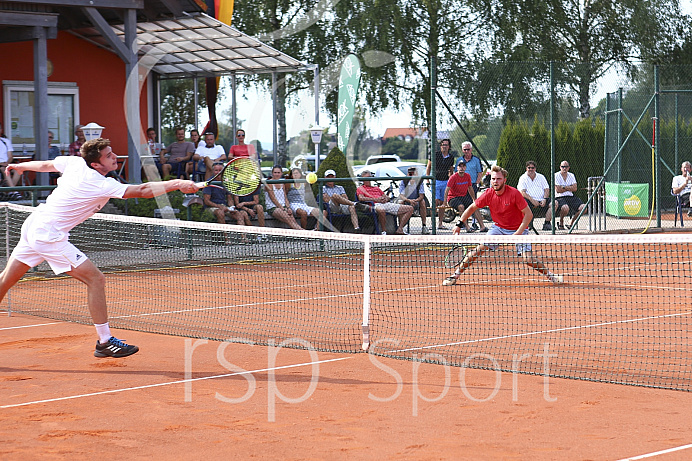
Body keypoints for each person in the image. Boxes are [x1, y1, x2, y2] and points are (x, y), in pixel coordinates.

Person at [0, 137, 200, 357]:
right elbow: (142, 190)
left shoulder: (76, 163)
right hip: (48, 234)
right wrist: (177, 184)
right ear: (95, 164)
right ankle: (105, 342)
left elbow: (47, 165)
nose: (114, 157)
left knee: (5, 280)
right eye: (108, 156)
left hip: (35, 225)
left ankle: (105, 341)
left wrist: (21, 166)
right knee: (95, 279)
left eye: (112, 152)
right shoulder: (99, 183)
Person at [442, 165, 562, 286]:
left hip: (519, 228)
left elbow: (528, 215)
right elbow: (472, 208)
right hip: (498, 228)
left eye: (498, 179)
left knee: (528, 259)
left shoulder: (514, 193)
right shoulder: (488, 194)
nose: (495, 181)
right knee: (477, 251)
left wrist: (518, 233)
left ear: (504, 180)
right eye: (493, 179)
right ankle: (455, 275)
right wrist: (459, 224)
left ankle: (551, 276)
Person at [357, 169, 413, 235]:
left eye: (369, 177)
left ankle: (400, 229)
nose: (368, 179)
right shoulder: (360, 188)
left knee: (410, 208)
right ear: (362, 179)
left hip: (385, 203)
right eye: (366, 178)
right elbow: (361, 198)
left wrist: (385, 199)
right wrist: (376, 199)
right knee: (381, 210)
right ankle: (384, 231)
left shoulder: (376, 188)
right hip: (373, 205)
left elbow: (387, 197)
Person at [443, 160, 487, 233]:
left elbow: (470, 188)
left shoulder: (467, 176)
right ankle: (467, 227)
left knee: (475, 206)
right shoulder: (453, 177)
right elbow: (447, 190)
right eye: (460, 166)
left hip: (463, 197)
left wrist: (474, 199)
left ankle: (482, 227)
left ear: (465, 167)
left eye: (463, 166)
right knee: (461, 207)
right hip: (453, 198)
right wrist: (445, 202)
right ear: (457, 168)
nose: (462, 168)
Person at [426, 138, 456, 229]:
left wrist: (450, 180)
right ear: (440, 146)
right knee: (435, 202)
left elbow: (451, 170)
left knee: (443, 203)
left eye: (446, 145)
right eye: (443, 145)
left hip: (445, 181)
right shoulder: (435, 155)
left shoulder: (451, 157)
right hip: (436, 181)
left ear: (449, 147)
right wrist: (427, 179)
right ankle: (433, 223)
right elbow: (428, 167)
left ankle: (440, 223)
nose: (444, 147)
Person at [517, 160, 553, 231]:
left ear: (535, 168)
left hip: (542, 199)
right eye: (529, 168)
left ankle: (547, 223)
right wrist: (532, 200)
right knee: (524, 203)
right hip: (529, 200)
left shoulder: (541, 177)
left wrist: (545, 199)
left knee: (555, 203)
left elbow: (546, 189)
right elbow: (522, 192)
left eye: (532, 168)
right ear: (526, 168)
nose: (531, 169)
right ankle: (529, 224)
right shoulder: (522, 178)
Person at [264, 165, 302, 230]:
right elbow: (273, 199)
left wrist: (288, 207)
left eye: (278, 172)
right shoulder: (269, 183)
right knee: (288, 219)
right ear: (272, 173)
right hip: (273, 207)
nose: (277, 174)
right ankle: (303, 232)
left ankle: (299, 233)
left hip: (283, 206)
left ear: (281, 173)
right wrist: (283, 209)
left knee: (292, 218)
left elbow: (285, 197)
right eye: (275, 172)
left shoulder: (282, 183)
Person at [553, 161, 585, 230]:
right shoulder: (556, 175)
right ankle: (561, 221)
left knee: (584, 208)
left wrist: (563, 187)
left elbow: (575, 188)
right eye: (562, 167)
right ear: (560, 167)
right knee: (565, 208)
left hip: (570, 196)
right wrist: (569, 187)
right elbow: (558, 190)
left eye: (566, 167)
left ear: (569, 168)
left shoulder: (571, 175)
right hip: (559, 197)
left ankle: (571, 222)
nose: (564, 168)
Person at [398, 166, 429, 234]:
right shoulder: (404, 181)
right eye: (410, 174)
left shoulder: (420, 181)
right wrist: (409, 201)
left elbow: (421, 196)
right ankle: (401, 227)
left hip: (416, 201)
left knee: (423, 202)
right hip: (407, 201)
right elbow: (401, 195)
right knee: (400, 203)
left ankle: (424, 226)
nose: (412, 176)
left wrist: (415, 200)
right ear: (407, 174)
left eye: (414, 174)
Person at [0, 122, 17, 188]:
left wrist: (7, 163)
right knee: (4, 170)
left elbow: (10, 156)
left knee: (18, 171)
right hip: (1, 165)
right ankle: (13, 191)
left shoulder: (6, 141)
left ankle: (10, 191)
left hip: (6, 164)